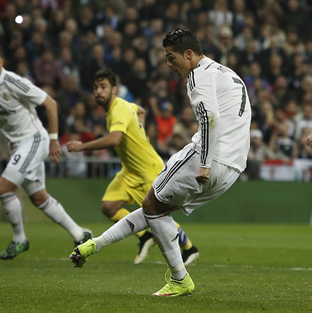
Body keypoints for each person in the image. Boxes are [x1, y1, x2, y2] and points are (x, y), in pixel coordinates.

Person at [70, 27, 251, 297]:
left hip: (210, 158)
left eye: (171, 57)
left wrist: (204, 163)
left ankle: (180, 278)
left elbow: (209, 118)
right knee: (155, 210)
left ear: (189, 54)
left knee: (152, 205)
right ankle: (93, 246)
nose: (169, 65)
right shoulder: (227, 73)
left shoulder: (197, 75)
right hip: (233, 167)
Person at [0, 46, 91, 260]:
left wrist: (53, 140)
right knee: (39, 198)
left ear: (1, 62)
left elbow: (50, 104)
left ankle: (19, 239)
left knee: (4, 187)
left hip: (34, 140)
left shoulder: (15, 82)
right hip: (18, 145)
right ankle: (80, 234)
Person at [67, 68, 199, 265]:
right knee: (109, 206)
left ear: (114, 90)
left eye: (103, 87)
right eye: (95, 87)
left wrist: (81, 146)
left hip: (148, 169)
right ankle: (145, 237)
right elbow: (141, 111)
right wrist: (140, 133)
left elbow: (114, 139)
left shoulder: (118, 109)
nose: (98, 92)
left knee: (158, 214)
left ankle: (189, 249)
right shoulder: (122, 106)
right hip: (130, 170)